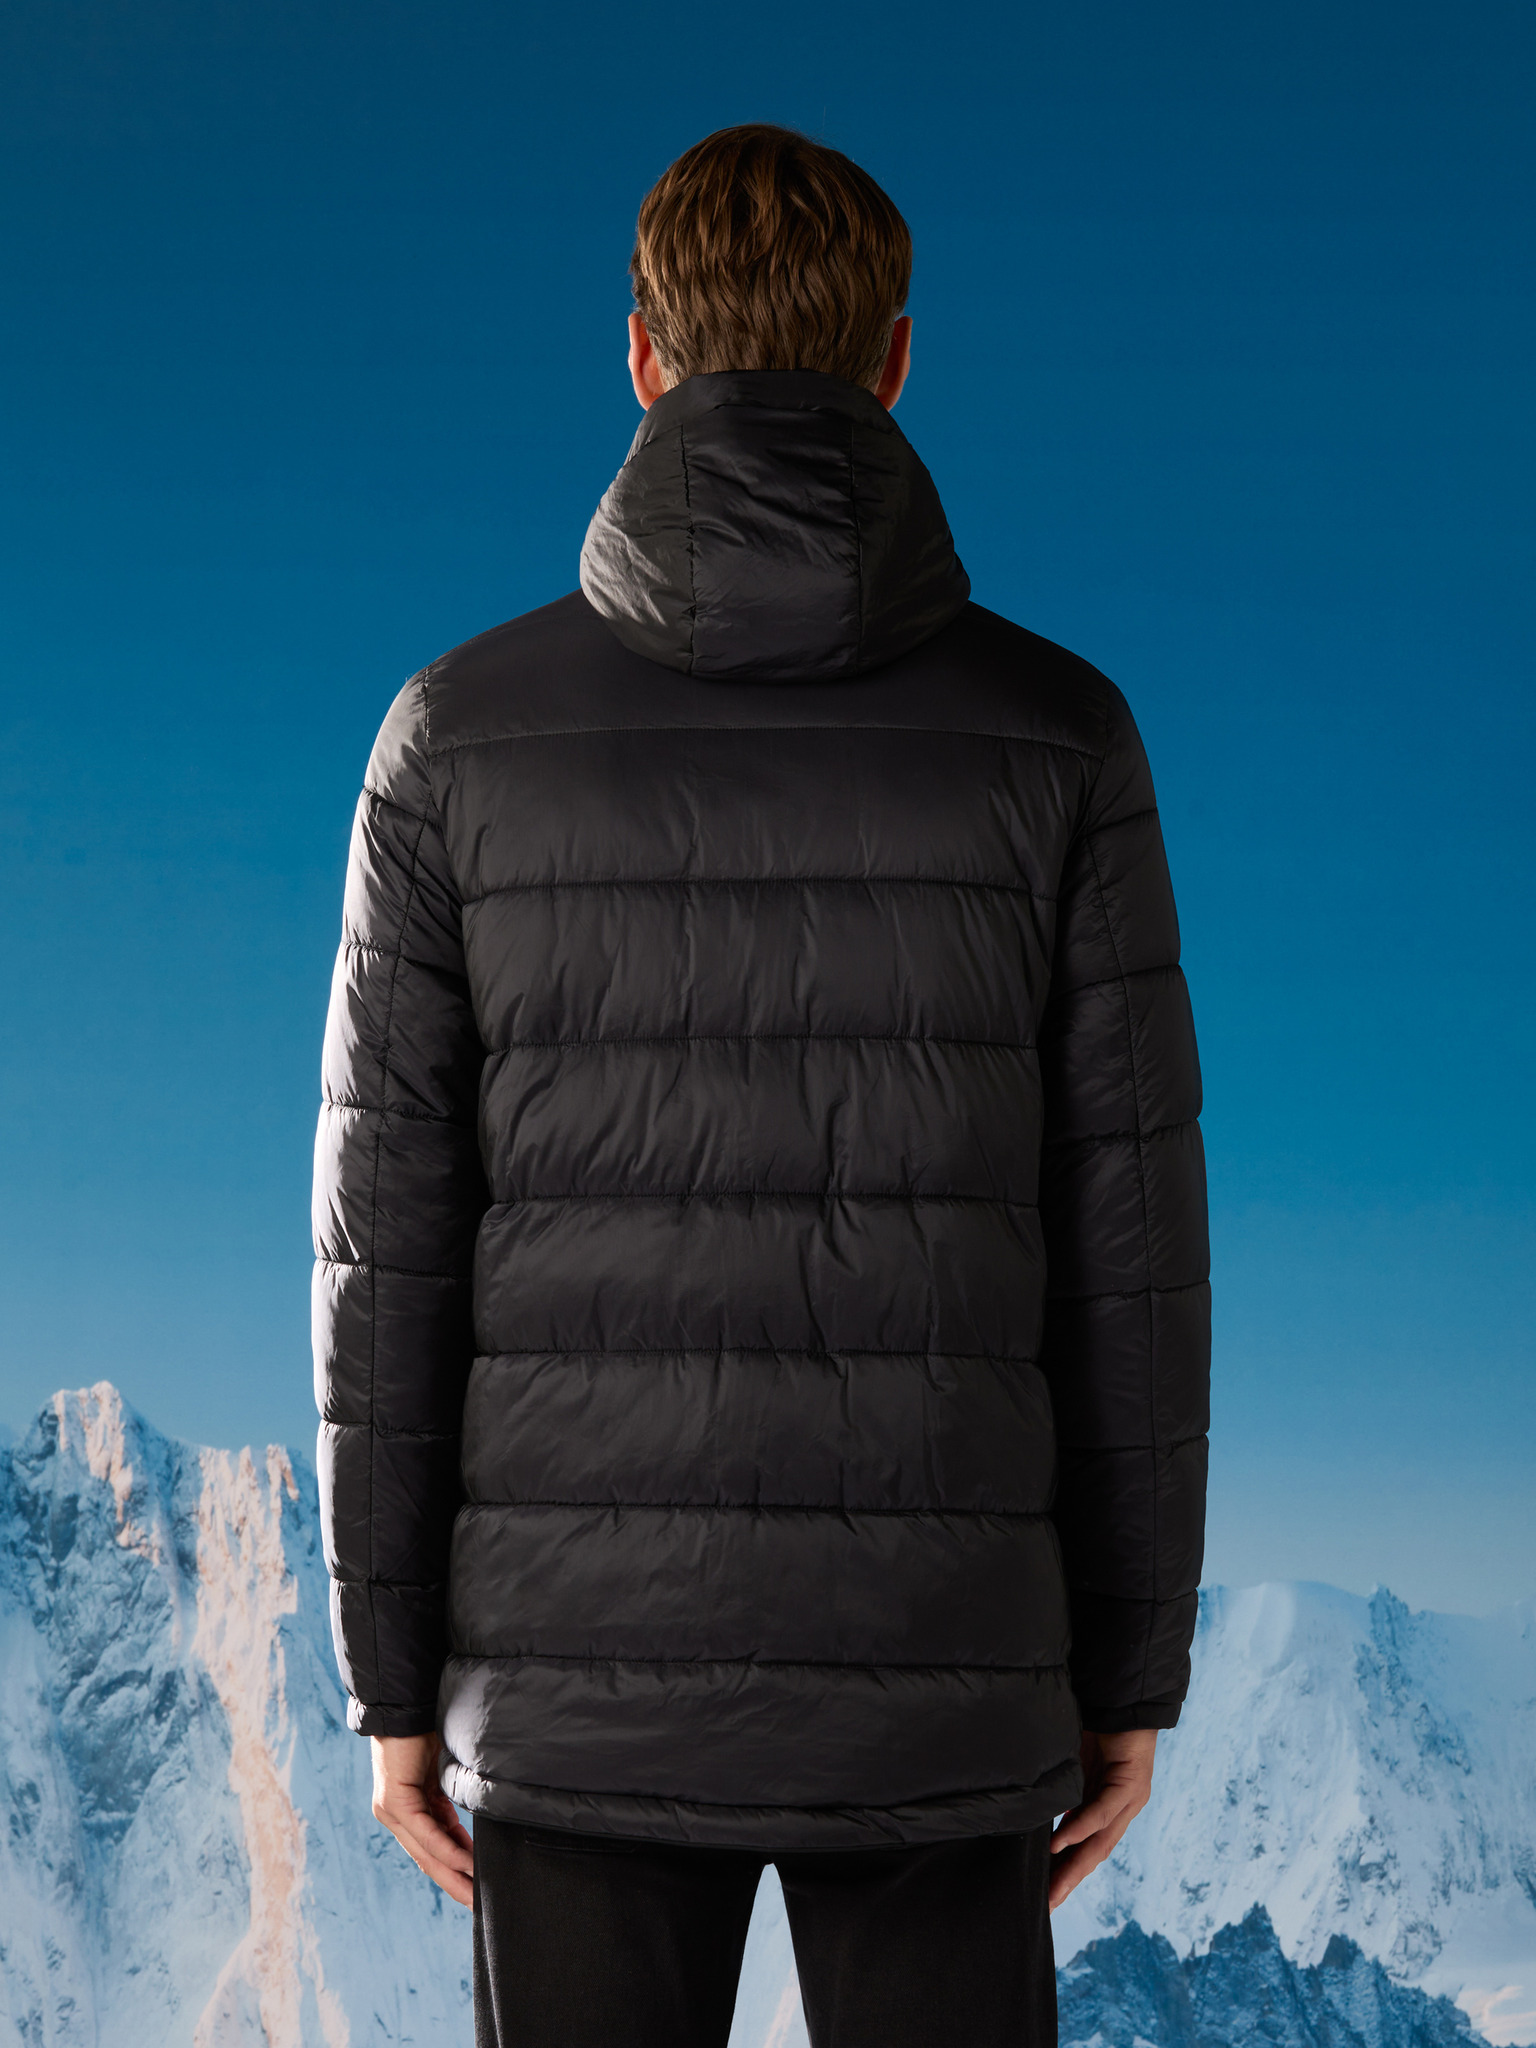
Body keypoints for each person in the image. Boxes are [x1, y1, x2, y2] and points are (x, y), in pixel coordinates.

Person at [312, 123, 1210, 2048]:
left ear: (642, 354)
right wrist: (1133, 1668)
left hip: (575, 1688)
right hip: (947, 1680)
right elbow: (1132, 1244)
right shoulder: (1064, 738)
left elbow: (387, 1250)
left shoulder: (451, 741)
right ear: (898, 359)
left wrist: (389, 1681)